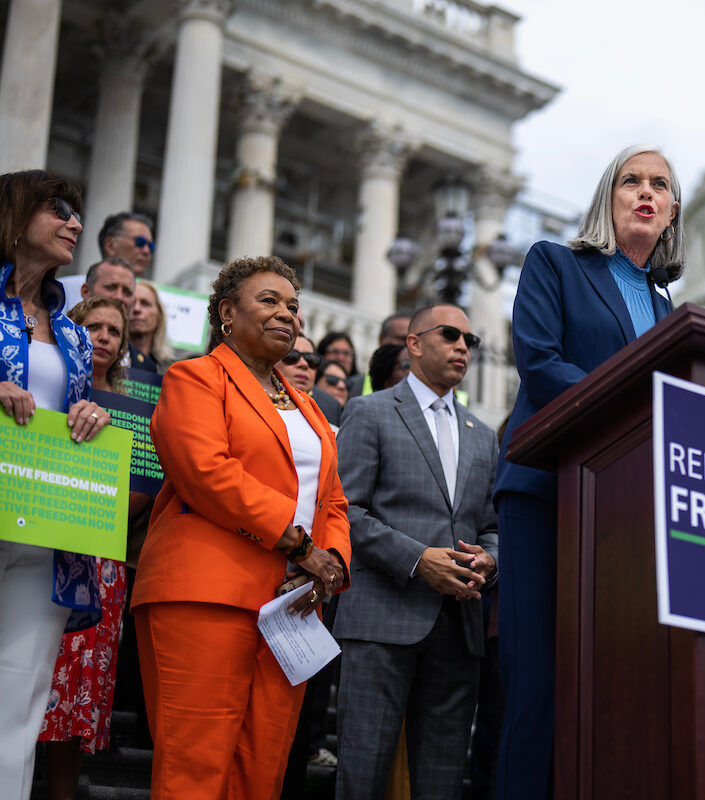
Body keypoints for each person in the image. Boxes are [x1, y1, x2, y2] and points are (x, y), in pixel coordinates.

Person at [492, 144, 682, 799]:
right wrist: (630, 412)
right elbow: (539, 361)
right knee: (537, 683)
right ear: (609, 198)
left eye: (660, 184)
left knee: (608, 687)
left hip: (622, 514)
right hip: (547, 492)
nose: (646, 192)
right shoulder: (557, 263)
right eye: (632, 180)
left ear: (672, 213)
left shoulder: (668, 310)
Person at [130, 254, 352, 799]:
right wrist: (301, 545)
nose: (287, 314)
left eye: (294, 306)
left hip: (290, 606)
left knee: (263, 772)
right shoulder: (195, 377)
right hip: (206, 592)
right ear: (227, 313)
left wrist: (332, 563)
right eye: (269, 301)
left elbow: (334, 501)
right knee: (196, 769)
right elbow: (207, 473)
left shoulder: (310, 407)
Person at [334, 304, 499, 800]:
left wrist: (491, 562)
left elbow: (491, 529)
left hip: (458, 629)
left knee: (442, 784)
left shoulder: (483, 435)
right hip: (382, 619)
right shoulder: (369, 411)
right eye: (451, 335)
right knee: (361, 777)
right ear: (414, 343)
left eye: (471, 341)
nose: (463, 348)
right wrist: (417, 559)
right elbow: (347, 511)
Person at [0, 169, 111, 800]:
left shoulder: (72, 333)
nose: (73, 223)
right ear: (15, 219)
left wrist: (89, 416)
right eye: (57, 209)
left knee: (21, 697)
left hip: (46, 532)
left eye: (75, 212)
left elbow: (73, 419)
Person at [38, 297, 138, 800]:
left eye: (113, 331)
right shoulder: (49, 388)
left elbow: (139, 486)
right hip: (40, 543)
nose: (103, 336)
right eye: (92, 326)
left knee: (78, 693)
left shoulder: (133, 413)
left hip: (101, 557)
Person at [347, 312, 409, 397]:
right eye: (401, 339)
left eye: (413, 340)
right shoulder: (351, 387)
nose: (408, 345)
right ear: (381, 339)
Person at [128, 281, 172, 372]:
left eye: (145, 303)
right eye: (131, 303)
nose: (137, 309)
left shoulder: (171, 369)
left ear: (159, 317)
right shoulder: (109, 362)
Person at [98, 211, 155, 278]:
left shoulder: (150, 288)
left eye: (151, 246)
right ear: (110, 245)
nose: (147, 251)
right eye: (140, 242)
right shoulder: (83, 285)